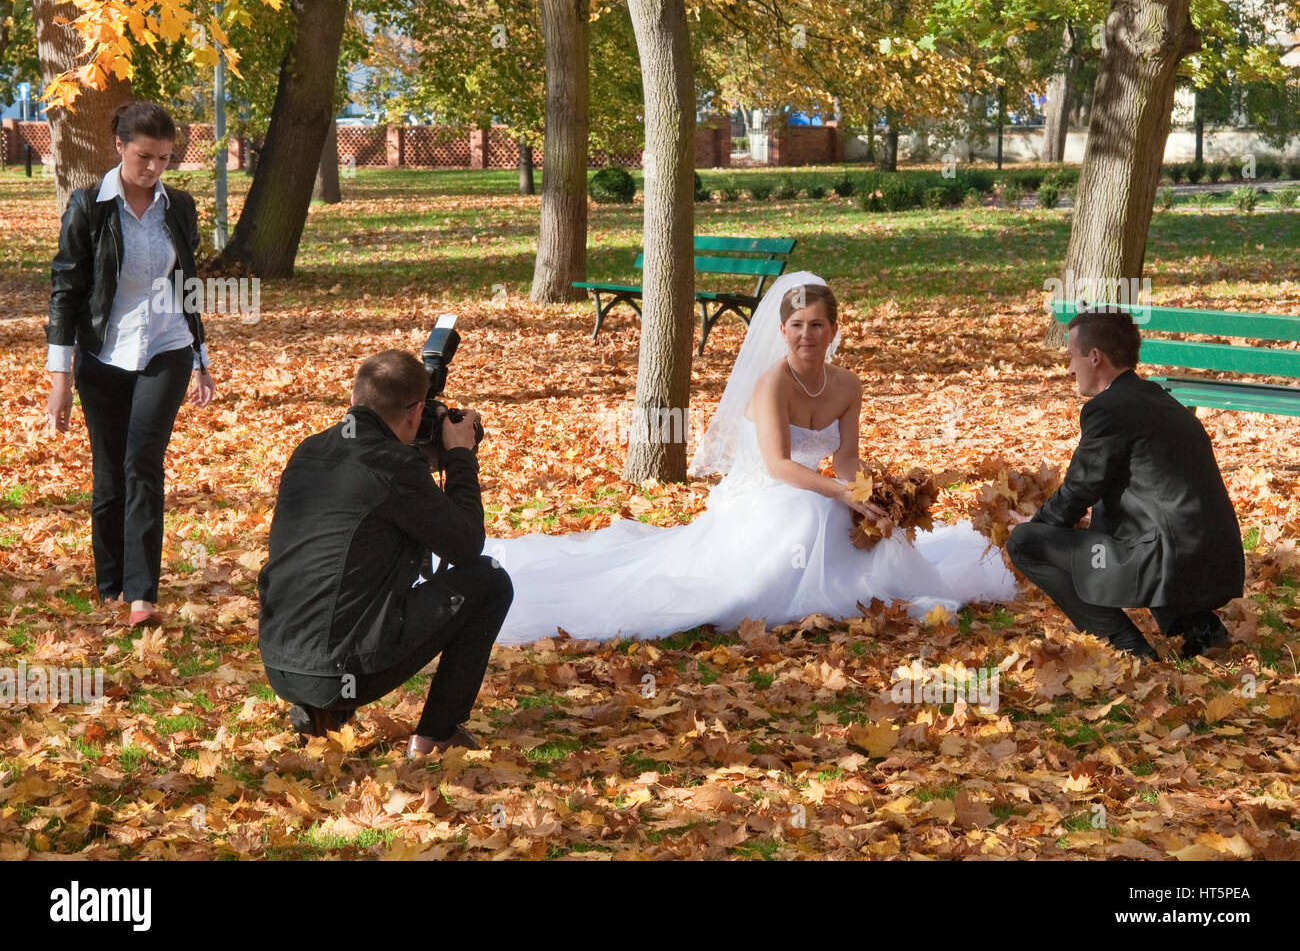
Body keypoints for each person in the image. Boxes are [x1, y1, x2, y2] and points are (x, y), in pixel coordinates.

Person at [483, 272, 1018, 645]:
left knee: (864, 522)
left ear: (834, 330)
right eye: (797, 326)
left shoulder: (848, 384)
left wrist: (869, 495)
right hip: (765, 492)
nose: (807, 335)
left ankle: (868, 587)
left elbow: (848, 459)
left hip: (815, 487)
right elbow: (782, 467)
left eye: (817, 325)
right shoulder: (772, 384)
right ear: (782, 331)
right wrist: (841, 494)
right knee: (811, 511)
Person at [256, 350, 512, 757]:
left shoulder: (310, 449)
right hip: (336, 669)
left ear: (355, 400)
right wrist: (460, 457)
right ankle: (436, 737)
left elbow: (370, 501)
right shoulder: (394, 466)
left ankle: (322, 712)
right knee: (490, 579)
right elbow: (466, 545)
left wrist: (421, 459)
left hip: (279, 661)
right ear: (414, 414)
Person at [45, 101, 215, 626]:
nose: (155, 168)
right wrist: (60, 379)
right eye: (145, 156)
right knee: (109, 474)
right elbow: (65, 291)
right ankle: (110, 584)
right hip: (102, 354)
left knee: (143, 463)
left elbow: (187, 285)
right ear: (120, 147)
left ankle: (142, 595)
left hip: (164, 349)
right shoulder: (89, 206)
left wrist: (199, 357)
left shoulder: (179, 208)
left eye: (165, 158)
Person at [1007, 307, 1244, 659]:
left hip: (1173, 562)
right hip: (1216, 560)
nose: (1070, 369)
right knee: (1113, 524)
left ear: (1095, 357)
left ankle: (1128, 648)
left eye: (1072, 357)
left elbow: (1080, 488)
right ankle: (1201, 629)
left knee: (1025, 543)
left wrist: (1038, 526)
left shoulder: (1107, 409)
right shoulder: (1162, 400)